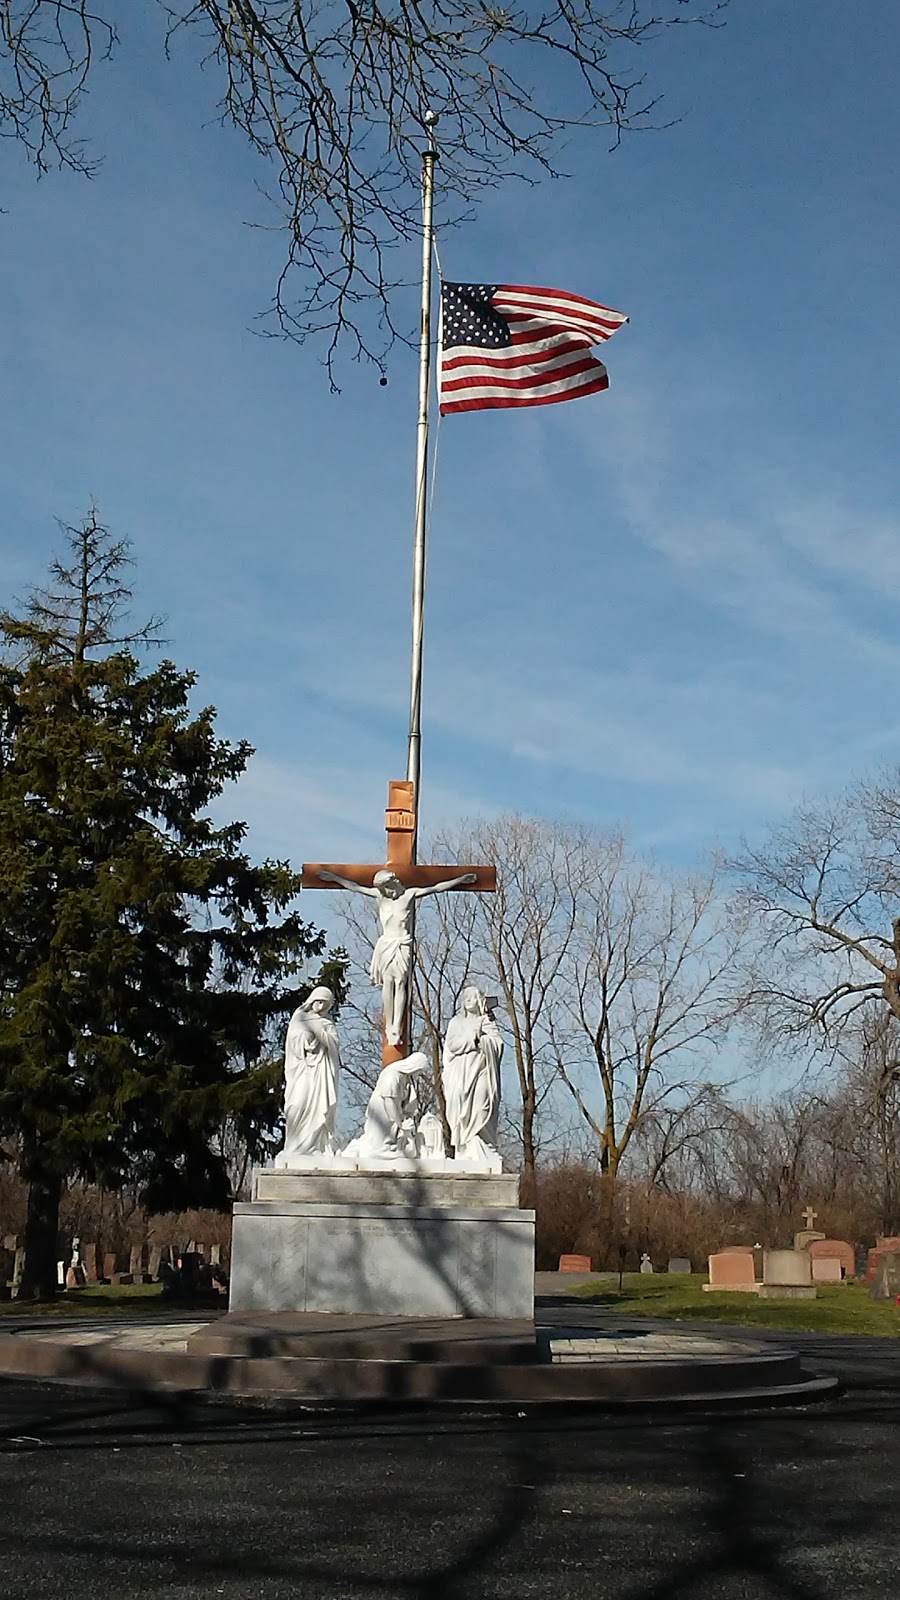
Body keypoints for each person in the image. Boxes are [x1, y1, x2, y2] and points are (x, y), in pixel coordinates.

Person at [318, 867, 477, 1045]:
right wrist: (333, 877)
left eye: (387, 887)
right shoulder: (380, 898)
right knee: (388, 982)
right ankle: (389, 1024)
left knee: (400, 982)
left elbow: (436, 887)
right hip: (386, 945)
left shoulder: (409, 895)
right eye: (383, 889)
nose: (386, 891)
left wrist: (460, 879)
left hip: (402, 944)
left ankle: (396, 1026)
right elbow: (355, 887)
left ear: (394, 883)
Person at [278, 985, 341, 1162]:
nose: (321, 1007)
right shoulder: (299, 1018)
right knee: (296, 1104)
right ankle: (293, 1146)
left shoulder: (327, 1023)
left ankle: (314, 1146)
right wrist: (305, 1039)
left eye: (325, 1004)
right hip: (302, 1069)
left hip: (320, 1072)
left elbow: (335, 1045)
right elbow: (293, 1042)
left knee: (319, 1107)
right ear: (312, 1000)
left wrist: (320, 1034)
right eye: (319, 1002)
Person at [442, 986, 503, 1166]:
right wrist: (472, 1040)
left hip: (482, 1070)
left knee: (482, 1103)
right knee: (461, 1106)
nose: (469, 999)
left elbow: (497, 1044)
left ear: (479, 1000)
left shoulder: (486, 1022)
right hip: (461, 1072)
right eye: (466, 996)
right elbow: (452, 1045)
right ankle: (466, 1147)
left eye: (473, 996)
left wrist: (482, 1040)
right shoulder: (456, 1022)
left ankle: (481, 1143)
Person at [343, 1051, 428, 1164]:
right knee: (378, 1140)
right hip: (383, 1111)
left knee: (390, 1140)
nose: (418, 1073)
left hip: (393, 1111)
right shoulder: (392, 1075)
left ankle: (390, 1151)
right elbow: (389, 1102)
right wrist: (400, 1123)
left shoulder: (404, 1077)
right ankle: (378, 1152)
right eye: (419, 1070)